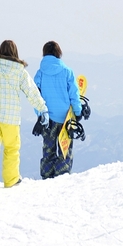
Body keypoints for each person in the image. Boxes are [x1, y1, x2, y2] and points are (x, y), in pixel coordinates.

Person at [0, 40, 49, 191]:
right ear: (15, 52)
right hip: (12, 118)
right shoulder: (20, 71)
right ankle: (11, 179)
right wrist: (43, 109)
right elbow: (31, 92)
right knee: (12, 149)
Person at [33, 41, 83, 179]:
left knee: (48, 150)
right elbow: (74, 94)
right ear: (58, 53)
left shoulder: (40, 73)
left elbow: (35, 96)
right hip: (65, 117)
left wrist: (40, 116)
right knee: (64, 150)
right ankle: (62, 177)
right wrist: (78, 112)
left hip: (48, 118)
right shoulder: (67, 71)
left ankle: (47, 176)